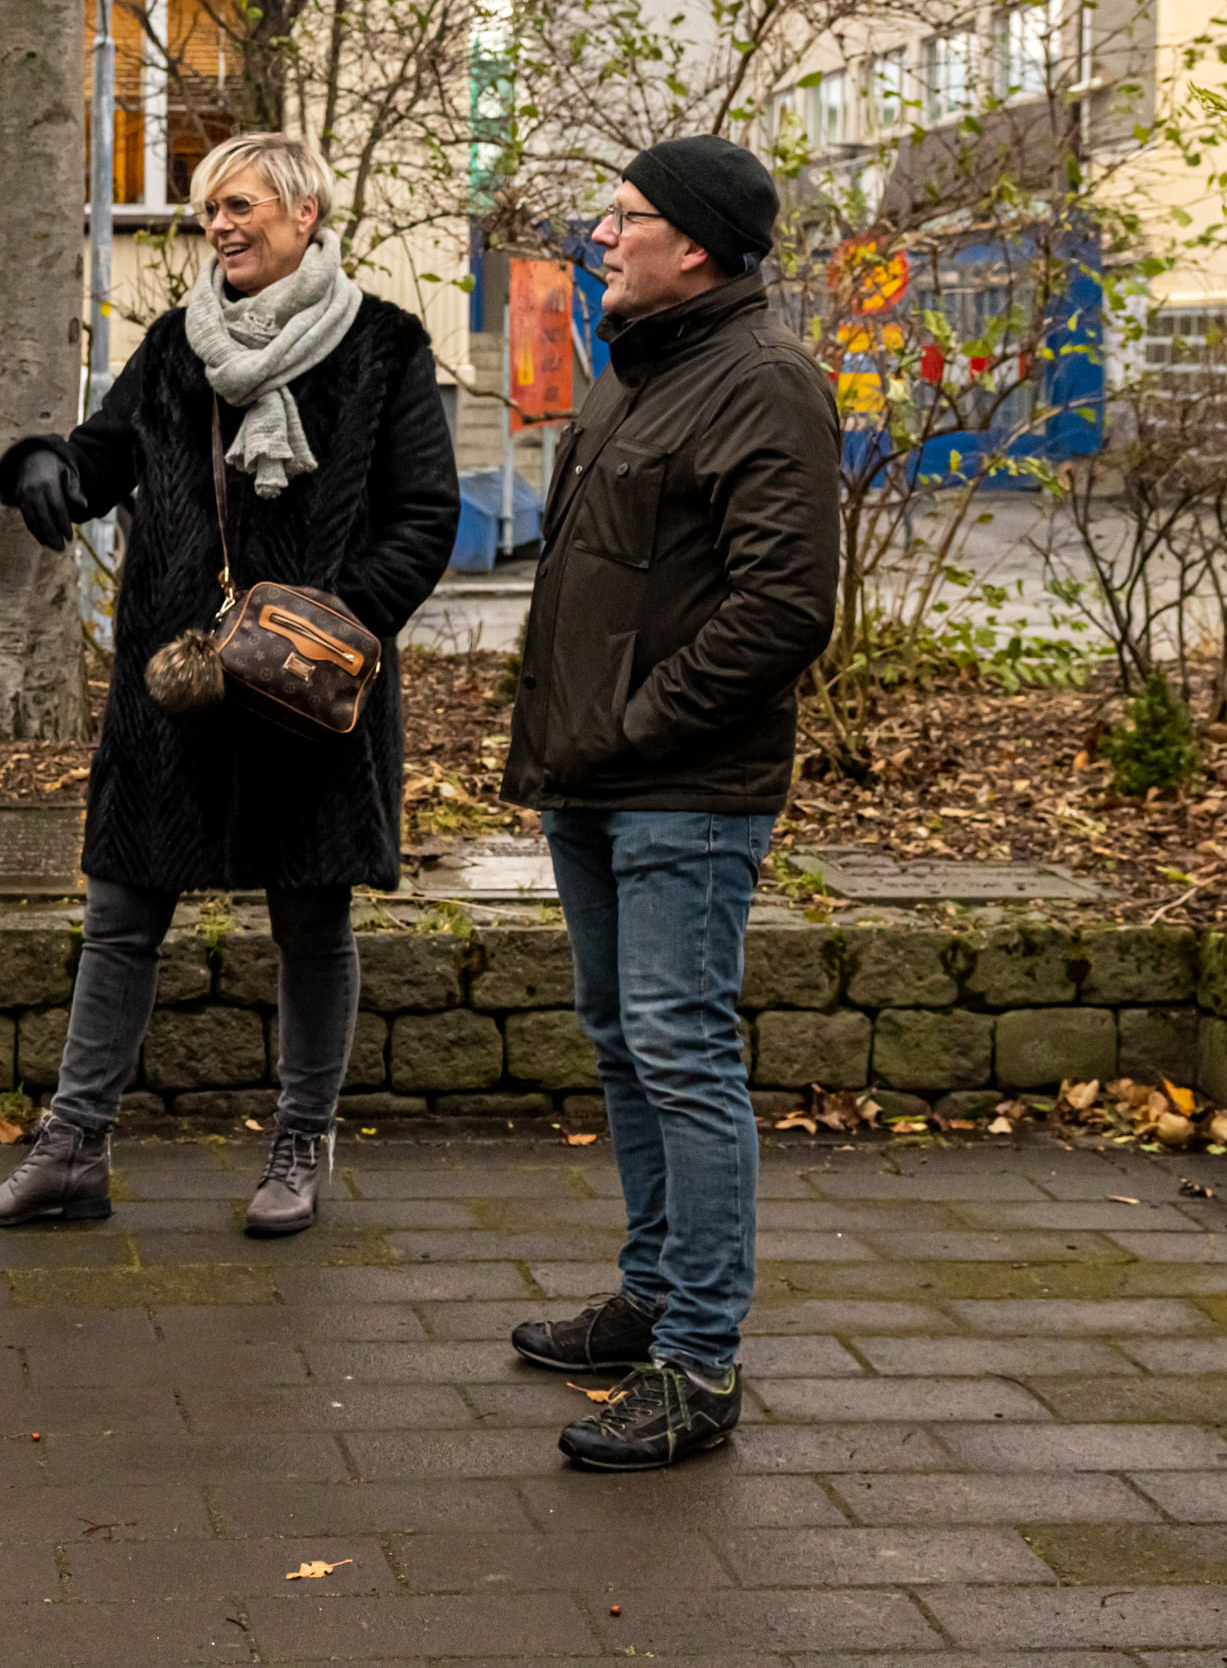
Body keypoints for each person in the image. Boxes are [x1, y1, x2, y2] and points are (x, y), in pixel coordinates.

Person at [0, 130, 458, 1240]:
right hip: (179, 688)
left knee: (312, 921)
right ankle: (72, 1149)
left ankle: (299, 1142)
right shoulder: (180, 346)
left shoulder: (384, 346)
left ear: (304, 213)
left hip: (311, 695)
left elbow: (427, 516)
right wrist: (46, 466)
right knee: (121, 913)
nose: (219, 227)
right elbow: (101, 457)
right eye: (208, 211)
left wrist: (331, 627)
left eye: (239, 206)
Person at [498, 133, 839, 1473]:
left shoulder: (761, 382)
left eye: (622, 215)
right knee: (622, 1038)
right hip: (592, 778)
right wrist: (564, 745)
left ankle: (696, 1361)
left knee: (680, 1049)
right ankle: (647, 1293)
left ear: (690, 242)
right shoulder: (634, 370)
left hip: (680, 787)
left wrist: (633, 724)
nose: (598, 231)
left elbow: (780, 609)